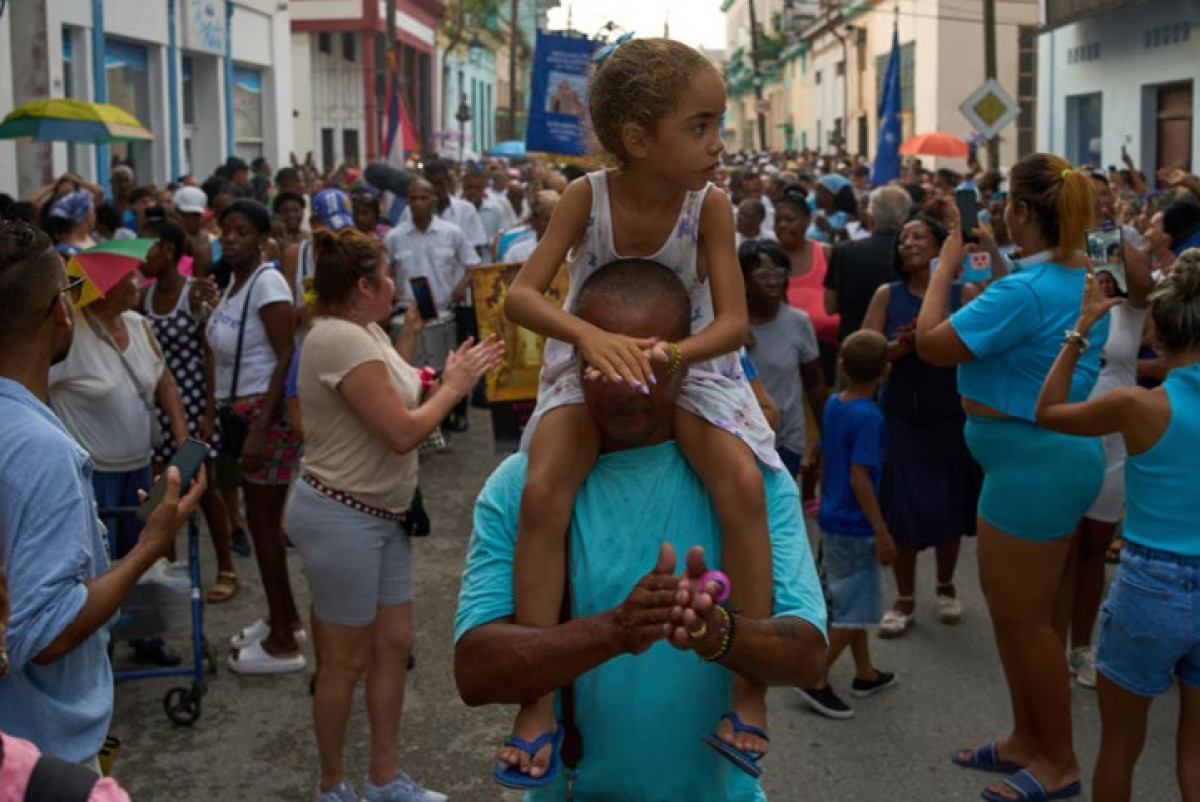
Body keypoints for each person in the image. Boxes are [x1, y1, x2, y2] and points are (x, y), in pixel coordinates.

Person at [502, 37, 781, 785]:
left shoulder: (710, 206)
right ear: (635, 138)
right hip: (592, 365)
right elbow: (520, 295)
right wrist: (591, 338)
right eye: (700, 126)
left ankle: (748, 693)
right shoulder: (584, 198)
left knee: (743, 486)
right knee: (541, 491)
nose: (718, 145)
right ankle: (534, 701)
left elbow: (730, 322)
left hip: (686, 368)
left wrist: (671, 357)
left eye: (718, 124)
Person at [457, 259, 827, 797]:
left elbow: (807, 657)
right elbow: (476, 672)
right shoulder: (522, 485)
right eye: (606, 364)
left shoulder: (757, 482)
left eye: (649, 363)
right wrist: (613, 631)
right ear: (575, 358)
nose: (628, 388)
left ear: (687, 363)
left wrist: (719, 634)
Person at [285, 228, 502, 802]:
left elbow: (394, 390)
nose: (394, 285)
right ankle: (332, 783)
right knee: (344, 662)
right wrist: (454, 388)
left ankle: (385, 777)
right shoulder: (338, 339)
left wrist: (429, 367)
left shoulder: (366, 331)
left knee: (394, 644)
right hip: (343, 514)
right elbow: (403, 432)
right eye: (386, 275)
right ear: (363, 286)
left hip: (381, 512)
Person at [916, 153, 1104, 802]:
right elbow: (1025, 297)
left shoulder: (1023, 290)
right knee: (1021, 618)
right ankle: (1030, 739)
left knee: (1025, 622)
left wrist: (944, 266)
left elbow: (931, 343)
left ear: (1022, 209)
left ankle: (1058, 762)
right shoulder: (1073, 273)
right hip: (1045, 459)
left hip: (1032, 466)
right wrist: (994, 254)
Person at [0, 219, 204, 764]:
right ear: (60, 310)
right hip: (41, 754)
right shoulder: (40, 450)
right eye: (66, 290)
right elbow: (47, 636)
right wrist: (148, 545)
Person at [1036, 249, 1200, 802]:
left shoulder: (1138, 405)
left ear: (1157, 331)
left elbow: (1049, 410)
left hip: (1149, 584)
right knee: (1196, 751)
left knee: (1119, 747)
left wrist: (1081, 329)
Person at [861, 215, 983, 636]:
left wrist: (939, 338)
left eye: (919, 236)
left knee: (949, 502)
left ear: (939, 247)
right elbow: (867, 353)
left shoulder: (961, 292)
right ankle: (904, 598)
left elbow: (976, 348)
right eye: (903, 238)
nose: (908, 243)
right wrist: (904, 344)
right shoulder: (886, 295)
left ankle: (946, 587)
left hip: (950, 413)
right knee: (905, 507)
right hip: (902, 416)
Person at [206, 199, 306, 675]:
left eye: (242, 231)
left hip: (261, 417)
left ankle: (285, 642)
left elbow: (287, 355)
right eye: (226, 230)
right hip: (240, 412)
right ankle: (281, 617)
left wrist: (261, 427)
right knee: (261, 522)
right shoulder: (233, 285)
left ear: (263, 239)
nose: (231, 239)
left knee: (265, 527)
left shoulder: (266, 282)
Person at [1061, 240, 1154, 688]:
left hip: (1113, 445)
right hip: (1065, 435)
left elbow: (1141, 279)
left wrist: (1111, 235)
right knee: (1060, 548)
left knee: (1094, 550)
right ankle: (1048, 643)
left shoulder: (1127, 309)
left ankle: (1082, 647)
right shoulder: (1065, 306)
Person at [796, 330, 898, 719]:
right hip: (856, 525)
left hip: (832, 516)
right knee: (854, 607)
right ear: (886, 371)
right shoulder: (870, 418)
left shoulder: (836, 405)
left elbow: (823, 452)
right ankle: (815, 676)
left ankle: (865, 672)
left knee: (853, 599)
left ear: (841, 366)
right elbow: (861, 477)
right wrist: (882, 530)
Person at [139, 217, 240, 604]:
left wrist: (210, 411)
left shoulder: (192, 293)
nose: (141, 258)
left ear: (167, 250)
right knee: (160, 490)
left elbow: (211, 353)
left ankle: (227, 567)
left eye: (147, 247)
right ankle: (169, 573)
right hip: (158, 406)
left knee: (206, 487)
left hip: (196, 401)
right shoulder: (143, 298)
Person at [385, 179, 481, 432]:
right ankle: (421, 421)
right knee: (411, 370)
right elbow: (386, 271)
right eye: (413, 199)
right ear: (407, 202)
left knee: (446, 368)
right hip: (408, 316)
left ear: (433, 200)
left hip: (443, 311)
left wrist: (461, 287)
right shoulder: (394, 237)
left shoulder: (452, 233)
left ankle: (453, 416)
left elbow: (473, 265)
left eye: (424, 198)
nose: (419, 203)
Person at [739, 239, 827, 477]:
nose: (773, 281)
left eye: (780, 273)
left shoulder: (798, 322)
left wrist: (825, 436)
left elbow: (815, 384)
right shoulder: (728, 328)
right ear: (743, 279)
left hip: (787, 439)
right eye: (763, 275)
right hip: (740, 439)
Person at [824, 185, 913, 342]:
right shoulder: (915, 255)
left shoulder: (844, 252)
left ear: (870, 218)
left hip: (855, 346)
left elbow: (829, 306)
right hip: (905, 344)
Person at [775, 185, 840, 383]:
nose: (783, 226)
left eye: (790, 220)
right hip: (782, 358)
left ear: (806, 221)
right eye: (778, 220)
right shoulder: (766, 257)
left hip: (828, 353)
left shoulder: (827, 254)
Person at [501, 191, 559, 263]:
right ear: (533, 220)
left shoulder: (571, 251)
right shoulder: (516, 253)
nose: (555, 224)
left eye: (558, 219)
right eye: (547, 219)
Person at [41, 189, 96, 256]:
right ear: (85, 216)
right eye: (92, 212)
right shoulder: (66, 254)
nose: (95, 216)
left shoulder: (88, 240)